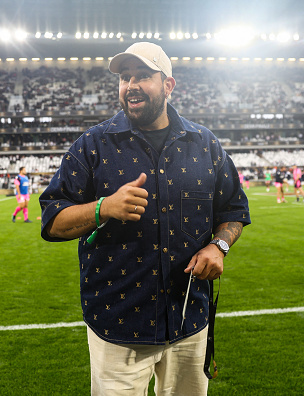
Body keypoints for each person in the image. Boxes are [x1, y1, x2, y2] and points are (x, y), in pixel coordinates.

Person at [39, 42, 250, 395]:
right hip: (118, 328)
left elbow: (233, 210)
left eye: (143, 76)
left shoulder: (205, 143)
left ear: (168, 85)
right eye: (125, 77)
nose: (131, 85)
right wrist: (102, 207)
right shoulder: (92, 145)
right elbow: (52, 221)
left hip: (189, 322)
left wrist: (219, 246)